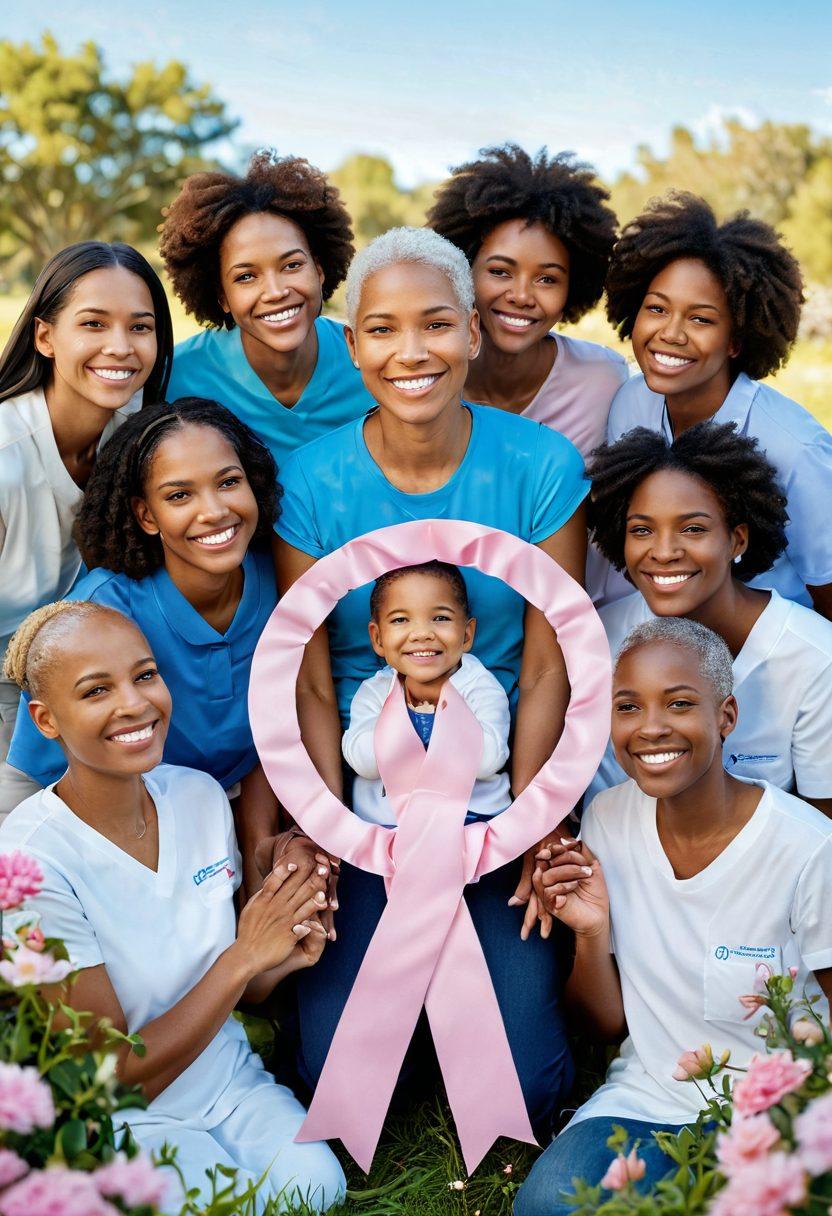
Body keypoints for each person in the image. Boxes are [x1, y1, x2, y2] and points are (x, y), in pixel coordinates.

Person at [273, 225, 589, 1134]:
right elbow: (308, 672)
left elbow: (545, 653)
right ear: (352, 342)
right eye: (382, 330)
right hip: (370, 798)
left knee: (526, 1086)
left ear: (474, 334)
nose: (411, 353)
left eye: (437, 325)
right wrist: (324, 829)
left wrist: (534, 822)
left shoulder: (541, 465)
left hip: (488, 797)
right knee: (323, 1067)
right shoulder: (313, 478)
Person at [0, 601, 345, 1214]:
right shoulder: (29, 861)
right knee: (228, 1205)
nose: (134, 704)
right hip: (125, 1114)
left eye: (145, 675)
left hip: (229, 1084)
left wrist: (284, 950)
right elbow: (105, 1078)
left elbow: (244, 987)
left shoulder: (199, 796)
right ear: (45, 720)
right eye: (96, 690)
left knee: (318, 1189)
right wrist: (244, 958)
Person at [514, 617, 832, 1216]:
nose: (651, 727)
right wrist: (592, 933)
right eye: (628, 706)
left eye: (680, 703)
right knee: (549, 1204)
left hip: (784, 1112)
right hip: (651, 1100)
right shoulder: (607, 819)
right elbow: (606, 1026)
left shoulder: (807, 849)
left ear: (726, 717)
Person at [6, 398, 283, 891]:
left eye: (228, 482)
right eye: (179, 496)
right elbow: (43, 780)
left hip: (249, 805)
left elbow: (278, 724)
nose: (214, 511)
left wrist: (256, 844)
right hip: (131, 831)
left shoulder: (281, 576)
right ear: (146, 515)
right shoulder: (103, 616)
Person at [0, 242, 173, 815]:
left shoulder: (138, 430)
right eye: (93, 324)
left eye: (140, 327)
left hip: (92, 683)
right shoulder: (5, 457)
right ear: (46, 337)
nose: (120, 347)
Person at [585, 421, 832, 816]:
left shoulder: (816, 659)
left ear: (737, 539)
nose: (663, 552)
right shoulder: (595, 638)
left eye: (693, 528)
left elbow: (822, 833)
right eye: (642, 530)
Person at [604, 191, 832, 616]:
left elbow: (827, 593)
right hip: (668, 638)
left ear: (736, 341)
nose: (670, 333)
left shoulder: (796, 450)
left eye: (700, 319)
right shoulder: (629, 404)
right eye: (657, 308)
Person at [161, 150, 374, 470]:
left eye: (291, 265)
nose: (275, 292)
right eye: (246, 277)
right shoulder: (176, 379)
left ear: (319, 270)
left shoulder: (371, 363)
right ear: (222, 297)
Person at [428, 143, 627, 460]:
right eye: (500, 271)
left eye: (547, 279)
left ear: (573, 288)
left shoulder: (603, 381)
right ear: (462, 269)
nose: (521, 296)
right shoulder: (425, 375)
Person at [342, 560, 511, 826]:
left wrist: (435, 717)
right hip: (386, 831)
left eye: (440, 618)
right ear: (378, 639)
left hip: (475, 824)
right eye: (400, 620)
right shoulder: (374, 692)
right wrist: (407, 719)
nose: (422, 633)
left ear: (467, 635)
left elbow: (488, 760)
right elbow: (364, 763)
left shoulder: (480, 686)